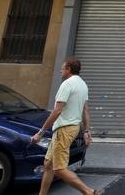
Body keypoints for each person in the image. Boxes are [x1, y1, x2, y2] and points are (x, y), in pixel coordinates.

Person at [31, 56, 98, 195]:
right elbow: (85, 110)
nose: (60, 70)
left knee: (59, 169)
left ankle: (89, 192)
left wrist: (41, 132)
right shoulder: (83, 85)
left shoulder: (67, 85)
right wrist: (86, 130)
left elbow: (57, 110)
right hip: (72, 128)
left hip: (64, 129)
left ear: (69, 69)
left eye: (62, 68)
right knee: (48, 164)